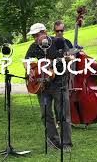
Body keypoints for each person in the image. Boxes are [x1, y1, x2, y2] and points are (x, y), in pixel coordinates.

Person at [25, 23, 73, 152]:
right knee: (46, 114)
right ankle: (53, 142)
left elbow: (71, 56)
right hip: (42, 87)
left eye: (37, 35)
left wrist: (67, 58)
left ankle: (66, 143)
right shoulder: (34, 46)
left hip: (59, 84)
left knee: (63, 113)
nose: (36, 38)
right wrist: (30, 70)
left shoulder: (58, 42)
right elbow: (26, 61)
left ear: (45, 32)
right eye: (34, 36)